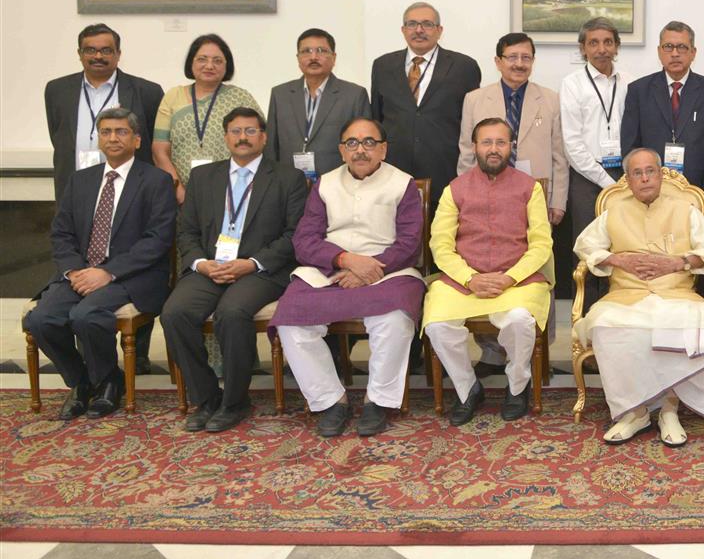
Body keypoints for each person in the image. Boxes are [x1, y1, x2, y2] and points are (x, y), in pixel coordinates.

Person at [270, 118, 424, 438]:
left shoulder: (403, 184)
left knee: (395, 318)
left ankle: (378, 401)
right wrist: (343, 260)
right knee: (289, 319)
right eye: (352, 143)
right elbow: (305, 239)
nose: (360, 150)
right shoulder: (325, 184)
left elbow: (410, 243)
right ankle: (330, 399)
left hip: (388, 271)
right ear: (342, 150)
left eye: (369, 142)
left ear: (383, 149)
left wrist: (370, 269)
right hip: (332, 268)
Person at [161, 108, 309, 432]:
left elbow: (294, 235)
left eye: (251, 131)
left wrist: (251, 263)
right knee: (174, 313)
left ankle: (235, 401)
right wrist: (201, 263)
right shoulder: (203, 178)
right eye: (236, 131)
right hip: (210, 267)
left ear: (264, 137)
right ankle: (207, 398)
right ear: (226, 137)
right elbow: (186, 231)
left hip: (261, 270)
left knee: (232, 312)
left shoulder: (288, 178)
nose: (243, 137)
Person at [573, 148, 704, 446]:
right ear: (629, 180)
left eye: (651, 171)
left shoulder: (685, 209)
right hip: (626, 294)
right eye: (637, 173)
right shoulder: (614, 212)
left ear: (660, 175)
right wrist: (619, 260)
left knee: (690, 325)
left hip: (677, 293)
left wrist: (678, 262)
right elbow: (586, 248)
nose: (645, 178)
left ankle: (669, 409)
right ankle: (634, 412)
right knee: (607, 327)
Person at [23, 108, 175, 420]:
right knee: (41, 321)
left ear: (136, 140)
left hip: (131, 276)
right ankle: (81, 382)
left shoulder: (156, 181)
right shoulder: (80, 181)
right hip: (80, 272)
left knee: (86, 315)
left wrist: (107, 272)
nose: (113, 138)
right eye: (106, 132)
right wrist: (75, 271)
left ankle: (108, 382)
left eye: (121, 132)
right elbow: (61, 233)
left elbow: (157, 239)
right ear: (98, 139)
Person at [44, 24, 163, 373]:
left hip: (130, 193)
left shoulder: (145, 90)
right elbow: (60, 136)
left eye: (105, 50)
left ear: (118, 54)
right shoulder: (57, 90)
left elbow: (150, 141)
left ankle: (137, 359)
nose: (98, 56)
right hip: (79, 193)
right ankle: (94, 368)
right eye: (90, 50)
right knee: (74, 290)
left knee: (132, 267)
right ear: (79, 53)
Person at [424, 118, 553, 424]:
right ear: (474, 147)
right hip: (465, 279)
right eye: (486, 142)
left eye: (500, 142)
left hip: (517, 279)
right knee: (437, 325)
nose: (493, 149)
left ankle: (517, 386)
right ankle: (468, 388)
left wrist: (510, 277)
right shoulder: (455, 189)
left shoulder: (529, 187)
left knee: (521, 320)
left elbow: (541, 244)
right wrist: (471, 278)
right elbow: (440, 245)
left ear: (511, 147)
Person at [370, 2, 482, 219]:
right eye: (412, 24)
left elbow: (471, 123)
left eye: (427, 24)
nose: (419, 30)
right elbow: (376, 118)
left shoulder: (464, 67)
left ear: (439, 31)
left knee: (440, 240)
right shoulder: (382, 66)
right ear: (403, 30)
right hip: (394, 170)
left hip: (444, 170)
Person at [457, 32, 567, 221]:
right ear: (498, 62)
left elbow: (560, 156)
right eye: (512, 57)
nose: (519, 64)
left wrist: (557, 201)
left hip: (536, 194)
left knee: (536, 247)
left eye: (526, 58)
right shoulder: (474, 99)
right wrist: (465, 196)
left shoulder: (551, 99)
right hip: (484, 193)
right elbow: (467, 151)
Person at [620, 21, 704, 214]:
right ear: (659, 51)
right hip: (649, 194)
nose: (675, 53)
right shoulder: (639, 90)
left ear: (693, 52)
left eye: (682, 47)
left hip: (697, 193)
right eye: (668, 47)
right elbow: (631, 147)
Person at [559, 17, 629, 310]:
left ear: (616, 46)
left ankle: (617, 316)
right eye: (594, 43)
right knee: (590, 251)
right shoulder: (572, 85)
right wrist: (607, 183)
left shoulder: (628, 82)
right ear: (583, 48)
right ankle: (586, 325)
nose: (601, 49)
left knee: (622, 246)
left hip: (625, 176)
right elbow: (572, 145)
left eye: (608, 42)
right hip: (588, 178)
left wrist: (623, 180)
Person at [152, 34, 260, 207]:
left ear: (227, 66)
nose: (209, 66)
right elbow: (160, 151)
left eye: (217, 61)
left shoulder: (241, 98)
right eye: (202, 59)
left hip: (231, 196)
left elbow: (259, 144)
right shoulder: (173, 97)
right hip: (179, 197)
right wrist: (179, 193)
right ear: (191, 63)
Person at [264, 28, 371, 183]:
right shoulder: (280, 94)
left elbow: (364, 146)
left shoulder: (354, 95)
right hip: (288, 184)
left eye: (321, 51)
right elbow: (271, 148)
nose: (313, 57)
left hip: (339, 185)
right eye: (306, 51)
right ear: (298, 58)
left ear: (334, 57)